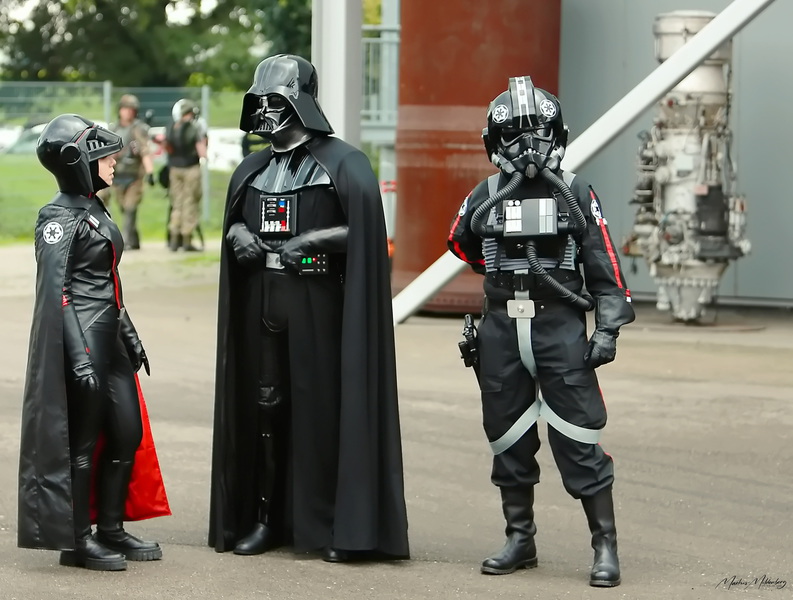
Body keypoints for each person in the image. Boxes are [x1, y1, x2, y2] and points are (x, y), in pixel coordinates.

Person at [208, 54, 409, 563]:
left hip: (319, 305)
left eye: (275, 101)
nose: (266, 112)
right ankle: (265, 519)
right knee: (265, 408)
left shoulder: (344, 163)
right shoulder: (252, 168)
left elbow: (366, 233)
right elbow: (235, 219)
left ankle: (332, 523)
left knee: (323, 409)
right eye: (260, 102)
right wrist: (237, 232)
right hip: (262, 302)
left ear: (300, 102)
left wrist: (315, 239)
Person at [448, 76, 635, 587]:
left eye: (537, 133)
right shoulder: (486, 195)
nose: (526, 146)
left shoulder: (576, 192)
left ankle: (605, 545)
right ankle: (520, 538)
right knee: (507, 433)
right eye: (513, 135)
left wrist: (608, 328)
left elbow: (604, 264)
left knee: (577, 435)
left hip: (559, 325)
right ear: (494, 142)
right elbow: (461, 241)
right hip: (501, 327)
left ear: (557, 135)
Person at [18, 114, 171, 571]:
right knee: (81, 445)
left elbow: (108, 282)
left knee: (127, 432)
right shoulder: (57, 218)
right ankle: (77, 540)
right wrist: (79, 357)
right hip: (82, 341)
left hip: (109, 340)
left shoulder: (95, 209)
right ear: (77, 162)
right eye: (103, 156)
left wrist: (130, 335)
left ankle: (110, 527)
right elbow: (58, 292)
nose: (113, 162)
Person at [100, 94, 155, 250]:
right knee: (124, 208)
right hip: (117, 176)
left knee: (130, 207)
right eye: (125, 109)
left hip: (134, 177)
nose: (128, 112)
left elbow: (145, 151)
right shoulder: (114, 130)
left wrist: (150, 172)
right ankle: (134, 239)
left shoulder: (138, 129)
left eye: (131, 109)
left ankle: (125, 241)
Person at [163, 98, 207, 251]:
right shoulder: (194, 128)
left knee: (177, 203)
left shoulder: (171, 127)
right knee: (190, 202)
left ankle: (174, 239)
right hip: (191, 169)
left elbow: (167, 147)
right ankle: (187, 238)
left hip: (175, 169)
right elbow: (202, 151)